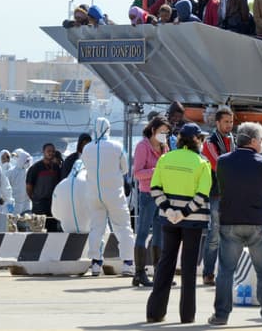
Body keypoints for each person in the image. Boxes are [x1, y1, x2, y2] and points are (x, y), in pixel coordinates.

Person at [208, 122, 262, 327]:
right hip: (258, 221)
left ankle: (221, 315)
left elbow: (221, 185)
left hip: (230, 219)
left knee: (226, 271)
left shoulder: (223, 161)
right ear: (254, 141)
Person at [146, 123, 211, 324]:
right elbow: (202, 194)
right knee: (189, 267)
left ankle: (155, 313)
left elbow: (155, 188)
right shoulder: (202, 162)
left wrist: (169, 210)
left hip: (169, 219)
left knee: (166, 263)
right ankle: (187, 315)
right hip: (193, 221)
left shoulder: (165, 158)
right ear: (197, 140)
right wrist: (185, 212)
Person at [81, 117, 134, 277]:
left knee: (96, 228)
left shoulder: (87, 148)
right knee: (123, 227)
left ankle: (96, 264)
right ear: (108, 129)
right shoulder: (117, 146)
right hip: (114, 193)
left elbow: (85, 167)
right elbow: (125, 169)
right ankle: (127, 263)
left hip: (93, 194)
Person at [132, 116, 171, 287]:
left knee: (159, 234)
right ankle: (139, 272)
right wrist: (157, 171)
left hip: (162, 194)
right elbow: (137, 173)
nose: (165, 135)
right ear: (153, 130)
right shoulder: (142, 146)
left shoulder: (164, 147)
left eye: (167, 132)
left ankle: (158, 272)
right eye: (162, 131)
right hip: (147, 194)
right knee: (142, 232)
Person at [200, 106, 235, 286]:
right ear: (218, 122)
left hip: (231, 193)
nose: (229, 125)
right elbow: (218, 165)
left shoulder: (232, 140)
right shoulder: (210, 142)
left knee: (230, 235)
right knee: (214, 235)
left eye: (231, 122)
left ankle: (227, 273)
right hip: (216, 194)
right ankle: (208, 273)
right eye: (226, 122)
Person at [26, 143, 62, 232]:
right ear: (43, 152)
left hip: (53, 205)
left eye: (53, 151)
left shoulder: (57, 167)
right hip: (39, 206)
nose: (51, 153)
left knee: (53, 230)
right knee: (38, 231)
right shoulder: (35, 168)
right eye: (48, 151)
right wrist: (35, 199)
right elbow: (29, 187)